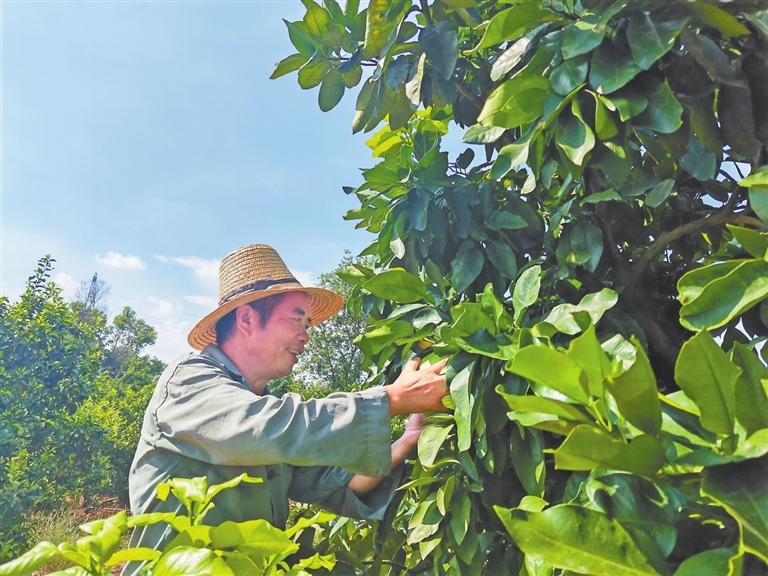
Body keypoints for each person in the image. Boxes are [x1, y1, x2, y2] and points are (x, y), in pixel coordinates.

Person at [122, 244, 448, 574]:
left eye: (308, 324)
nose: (306, 335)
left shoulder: (264, 412)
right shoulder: (189, 381)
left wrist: (408, 440)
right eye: (297, 320)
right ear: (247, 318)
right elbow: (265, 427)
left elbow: (338, 482)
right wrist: (393, 399)